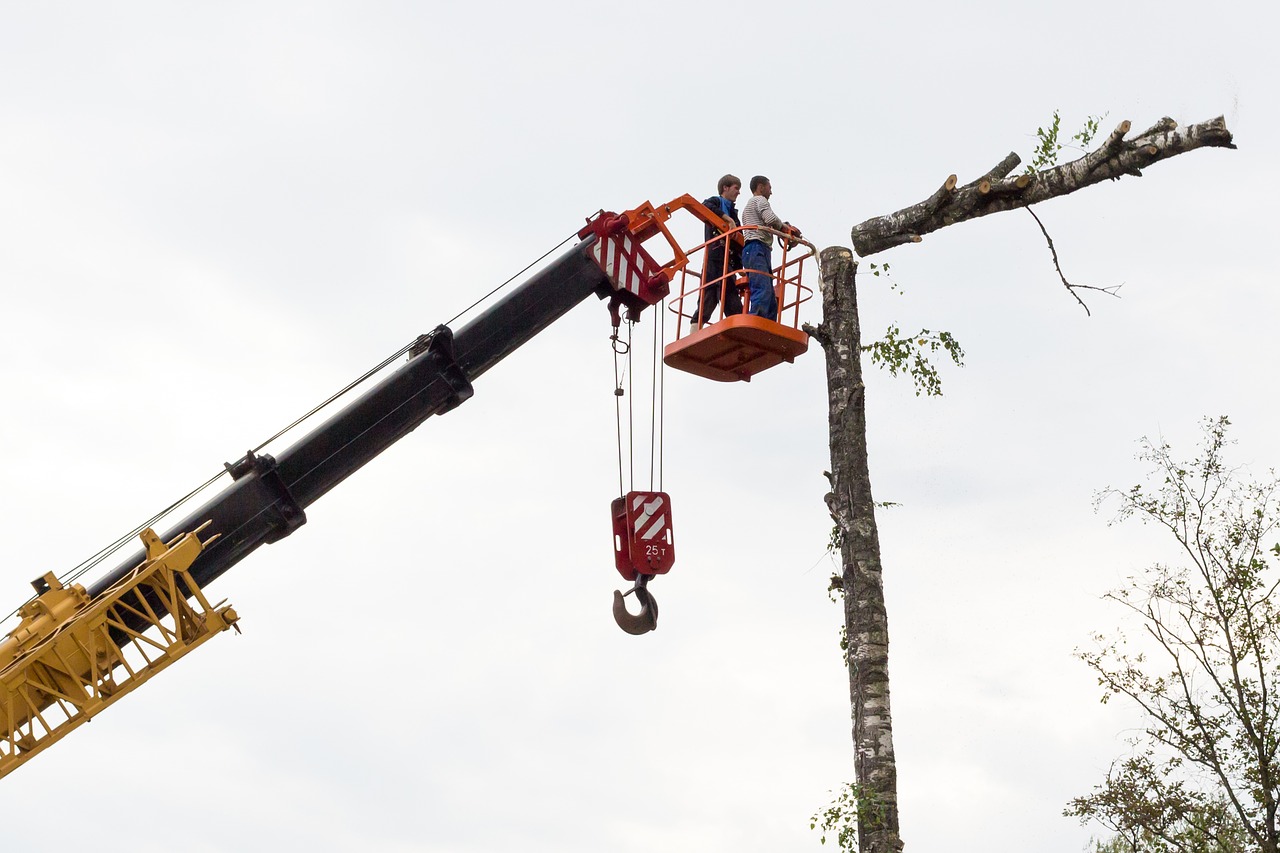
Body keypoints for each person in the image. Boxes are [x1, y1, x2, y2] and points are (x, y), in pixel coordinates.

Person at [740, 175, 801, 322]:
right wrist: (785, 229)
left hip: (757, 249)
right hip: (756, 248)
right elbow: (770, 219)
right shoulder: (759, 200)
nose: (771, 192)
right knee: (763, 288)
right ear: (760, 187)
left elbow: (767, 222)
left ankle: (769, 323)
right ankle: (757, 322)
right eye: (769, 188)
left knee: (769, 295)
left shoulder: (749, 206)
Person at [694, 174, 744, 329]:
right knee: (709, 295)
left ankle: (739, 329)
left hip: (727, 262)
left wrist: (741, 268)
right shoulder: (716, 202)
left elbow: (738, 243)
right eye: (736, 188)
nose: (738, 193)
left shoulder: (734, 214)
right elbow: (705, 206)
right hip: (714, 257)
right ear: (725, 188)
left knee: (731, 299)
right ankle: (694, 331)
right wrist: (727, 220)